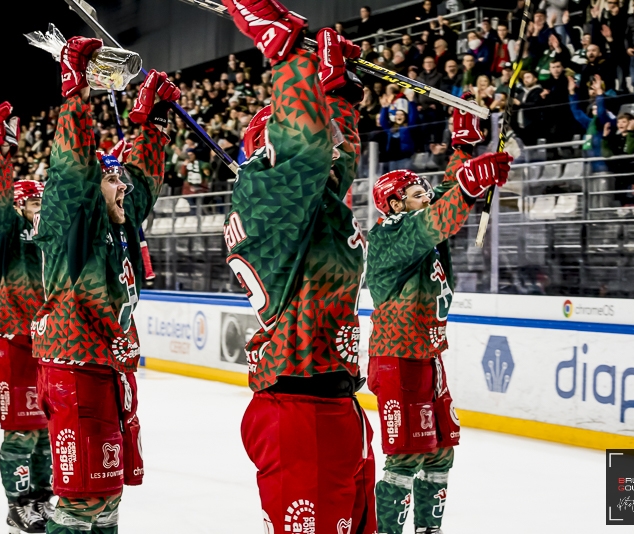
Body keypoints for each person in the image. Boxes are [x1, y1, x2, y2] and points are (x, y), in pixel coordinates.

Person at [219, 0, 377, 531]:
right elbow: (308, 148)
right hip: (300, 410)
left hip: (333, 404)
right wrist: (287, 55)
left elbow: (333, 158)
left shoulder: (305, 205)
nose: (334, 147)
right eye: (321, 130)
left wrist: (342, 94)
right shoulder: (266, 193)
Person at [31, 36, 180, 533]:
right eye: (113, 181)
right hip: (74, 371)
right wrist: (76, 90)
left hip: (108, 369)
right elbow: (74, 167)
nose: (125, 187)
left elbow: (141, 176)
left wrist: (151, 120)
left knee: (109, 498)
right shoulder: (71, 216)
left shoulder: (117, 220)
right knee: (81, 505)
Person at [367, 95, 512, 534]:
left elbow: (447, 198)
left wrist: (464, 149)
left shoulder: (422, 225)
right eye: (415, 193)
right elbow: (441, 216)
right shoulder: (390, 237)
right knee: (406, 456)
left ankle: (430, 530)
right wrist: (469, 185)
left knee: (441, 450)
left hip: (427, 357)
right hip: (398, 360)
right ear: (394, 205)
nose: (425, 196)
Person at [0, 102, 50, 533]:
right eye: (32, 199)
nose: (39, 204)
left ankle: (41, 497)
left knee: (43, 434)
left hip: (51, 347)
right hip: (15, 345)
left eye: (42, 198)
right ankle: (18, 501)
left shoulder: (50, 238)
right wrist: (2, 156)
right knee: (20, 432)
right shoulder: (7, 238)